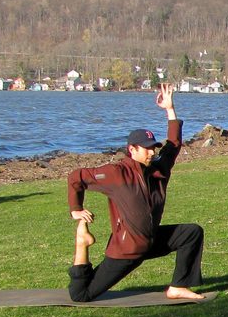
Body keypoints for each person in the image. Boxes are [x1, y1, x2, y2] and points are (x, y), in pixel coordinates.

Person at [67, 83, 204, 303]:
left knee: (191, 233)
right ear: (132, 150)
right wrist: (76, 209)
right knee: (81, 295)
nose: (152, 152)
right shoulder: (116, 173)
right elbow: (76, 177)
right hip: (126, 250)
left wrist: (170, 109)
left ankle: (178, 287)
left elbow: (174, 144)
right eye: (147, 148)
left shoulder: (159, 167)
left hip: (150, 241)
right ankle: (81, 241)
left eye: (153, 147)